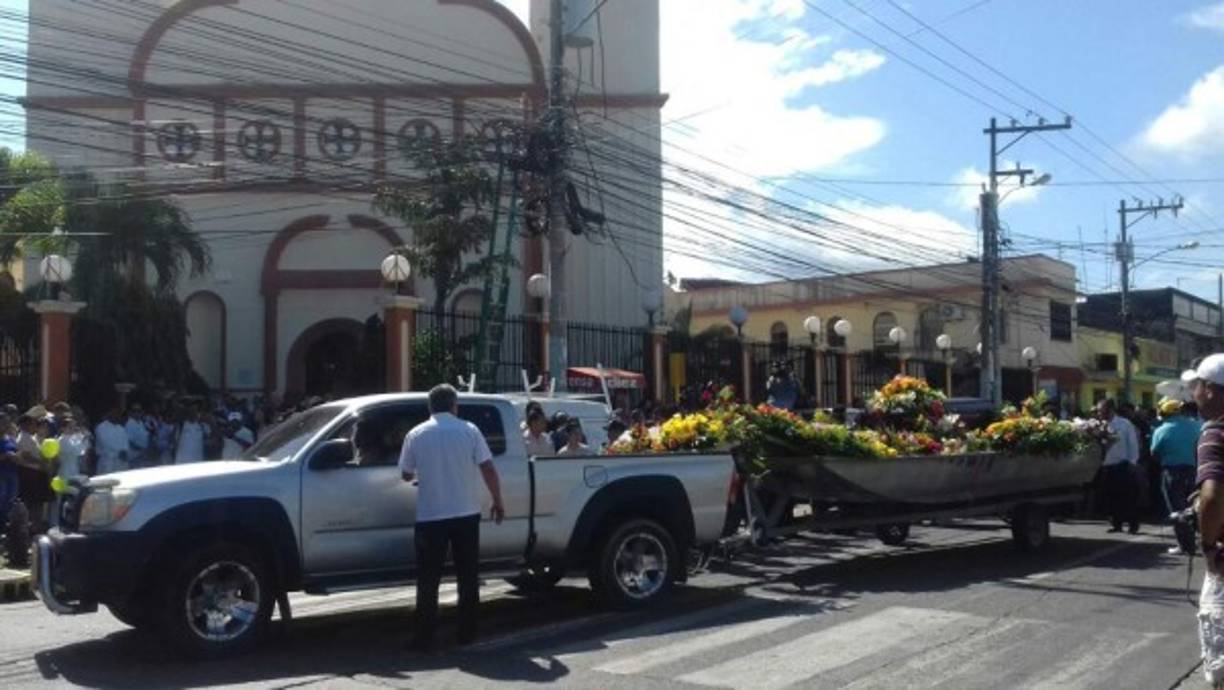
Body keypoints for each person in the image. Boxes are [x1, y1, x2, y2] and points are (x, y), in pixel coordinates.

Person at [398, 384, 504, 651]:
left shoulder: (416, 434)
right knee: (468, 575)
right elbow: (488, 468)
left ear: (430, 407)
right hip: (466, 515)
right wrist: (497, 500)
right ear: (454, 405)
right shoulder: (469, 430)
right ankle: (467, 632)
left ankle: (425, 637)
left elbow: (406, 474)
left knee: (428, 579)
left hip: (431, 517)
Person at [1189, 354, 1224, 688]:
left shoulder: (1215, 433)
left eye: (1197, 385)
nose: (1194, 393)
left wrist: (1209, 546)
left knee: (1221, 669)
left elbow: (1213, 496)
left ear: (1211, 389)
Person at [1152, 399, 1202, 551]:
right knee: (1196, 506)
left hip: (1171, 472)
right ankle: (1205, 540)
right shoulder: (1197, 426)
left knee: (1177, 510)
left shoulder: (1161, 430)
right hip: (1195, 471)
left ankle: (1185, 545)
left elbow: (1154, 453)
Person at [1098, 398, 1141, 534]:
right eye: (1099, 411)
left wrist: (1132, 462)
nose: (1099, 413)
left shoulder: (1124, 424)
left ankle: (1133, 524)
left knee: (1127, 497)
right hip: (1107, 465)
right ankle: (1116, 524)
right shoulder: (1099, 425)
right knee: (1111, 496)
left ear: (1110, 410)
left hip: (1122, 464)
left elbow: (1133, 443)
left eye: (1102, 410)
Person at [94, 403, 132, 475]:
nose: (116, 415)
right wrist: (119, 452)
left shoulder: (121, 428)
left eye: (118, 413)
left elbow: (125, 443)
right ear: (109, 413)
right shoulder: (101, 427)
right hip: (107, 461)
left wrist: (125, 451)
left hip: (121, 462)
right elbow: (106, 443)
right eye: (114, 413)